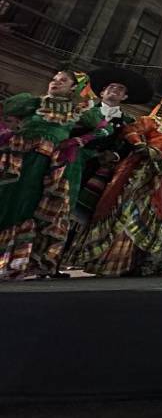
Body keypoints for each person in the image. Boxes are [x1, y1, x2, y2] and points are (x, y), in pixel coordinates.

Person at [71, 97, 162, 276]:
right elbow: (130, 130)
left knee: (161, 213)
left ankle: (144, 263)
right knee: (129, 208)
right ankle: (116, 262)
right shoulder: (149, 121)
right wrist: (141, 145)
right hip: (142, 172)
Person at [0, 69, 110, 279]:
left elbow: (104, 130)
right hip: (20, 158)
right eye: (54, 79)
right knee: (9, 201)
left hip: (50, 163)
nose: (55, 83)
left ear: (73, 88)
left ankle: (25, 260)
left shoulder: (79, 109)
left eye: (63, 81)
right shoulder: (34, 103)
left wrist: (78, 142)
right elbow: (7, 110)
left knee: (35, 204)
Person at [74, 68, 149, 227]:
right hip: (74, 160)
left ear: (125, 97)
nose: (115, 90)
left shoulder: (128, 121)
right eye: (111, 87)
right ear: (102, 93)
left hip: (100, 171)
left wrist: (114, 155)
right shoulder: (83, 109)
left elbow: (128, 146)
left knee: (84, 212)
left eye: (120, 89)